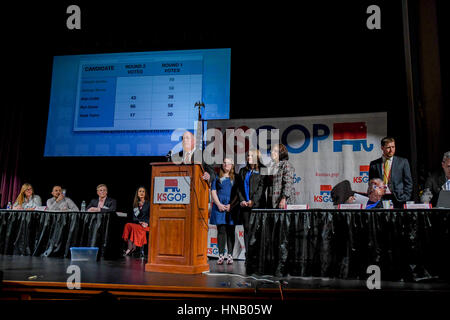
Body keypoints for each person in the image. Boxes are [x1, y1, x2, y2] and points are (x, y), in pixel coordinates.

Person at [369, 137, 413, 208]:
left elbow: (408, 182)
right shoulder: (374, 164)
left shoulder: (403, 162)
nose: (391, 150)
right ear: (382, 148)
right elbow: (371, 183)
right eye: (388, 147)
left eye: (393, 147)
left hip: (398, 199)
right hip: (381, 199)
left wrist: (405, 197)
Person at [237, 149, 266, 255]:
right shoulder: (242, 171)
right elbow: (239, 188)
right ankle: (248, 254)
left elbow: (261, 188)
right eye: (247, 155)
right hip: (245, 206)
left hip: (258, 205)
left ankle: (257, 255)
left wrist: (253, 201)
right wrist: (242, 200)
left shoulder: (263, 169)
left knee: (257, 230)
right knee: (247, 229)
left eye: (250, 155)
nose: (248, 157)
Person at [210, 158, 238, 265]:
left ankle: (230, 256)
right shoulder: (217, 177)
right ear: (222, 165)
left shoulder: (235, 178)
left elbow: (237, 193)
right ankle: (221, 255)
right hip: (219, 207)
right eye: (224, 162)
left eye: (228, 163)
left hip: (231, 207)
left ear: (232, 165)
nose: (226, 164)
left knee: (231, 232)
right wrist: (218, 204)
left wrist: (231, 205)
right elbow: (213, 191)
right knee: (221, 232)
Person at [122, 186, 150, 257]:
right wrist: (140, 222)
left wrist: (146, 223)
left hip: (146, 225)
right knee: (128, 225)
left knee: (136, 229)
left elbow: (152, 216)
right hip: (138, 224)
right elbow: (134, 218)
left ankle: (131, 248)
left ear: (145, 193)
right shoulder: (135, 204)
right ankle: (130, 247)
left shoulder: (148, 204)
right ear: (137, 194)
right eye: (140, 191)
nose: (141, 193)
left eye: (143, 191)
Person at [267, 144, 296, 209]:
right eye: (271, 151)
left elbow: (288, 183)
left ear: (281, 152)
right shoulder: (272, 166)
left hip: (283, 202)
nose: (271, 152)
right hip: (272, 201)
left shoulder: (286, 164)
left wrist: (284, 198)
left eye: (275, 151)